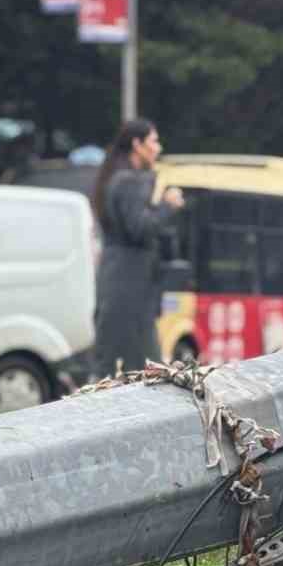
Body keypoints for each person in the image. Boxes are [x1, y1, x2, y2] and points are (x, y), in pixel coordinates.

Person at [91, 119, 184, 374]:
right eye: (153, 141)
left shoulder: (114, 178)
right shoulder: (130, 181)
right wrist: (168, 206)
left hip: (119, 283)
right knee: (147, 368)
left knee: (113, 365)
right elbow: (140, 227)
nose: (158, 148)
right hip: (131, 286)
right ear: (137, 145)